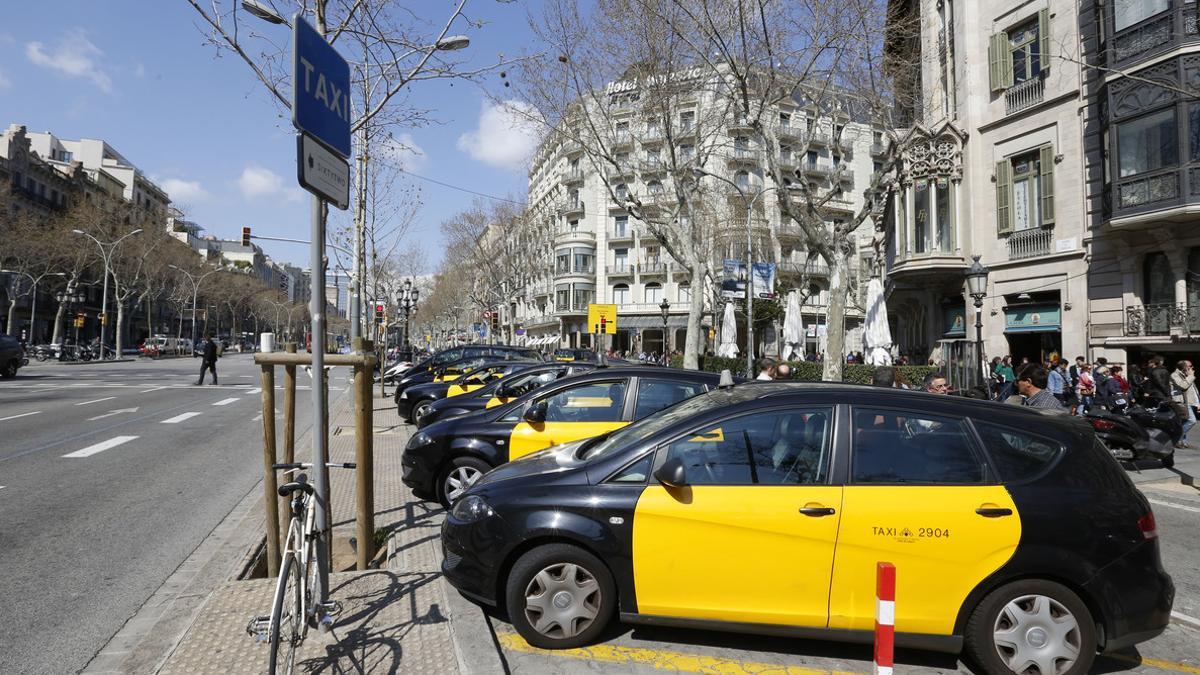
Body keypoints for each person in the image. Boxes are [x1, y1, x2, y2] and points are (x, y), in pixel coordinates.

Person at [1170, 360, 1197, 448]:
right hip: (1181, 402)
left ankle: (1183, 442)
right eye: (1190, 366)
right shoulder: (1175, 375)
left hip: (1189, 401)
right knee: (1191, 420)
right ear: (1185, 367)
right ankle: (1176, 439)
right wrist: (1191, 376)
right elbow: (1183, 386)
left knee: (1184, 421)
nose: (1192, 368)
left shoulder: (1185, 374)